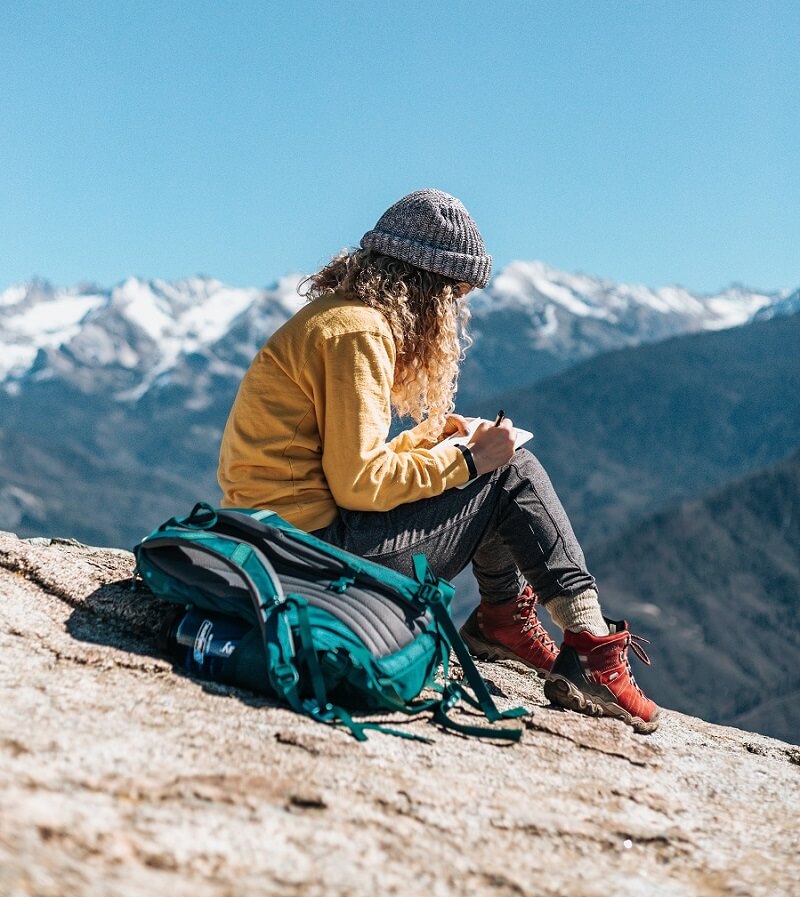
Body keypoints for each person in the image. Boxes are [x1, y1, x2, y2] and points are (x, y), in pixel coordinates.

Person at [218, 189, 659, 734]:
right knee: (512, 472)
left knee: (497, 467)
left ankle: (503, 620)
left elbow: (335, 464)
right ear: (427, 285)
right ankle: (592, 653)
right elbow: (359, 485)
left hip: (276, 541)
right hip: (311, 556)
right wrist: (469, 463)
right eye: (454, 295)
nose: (454, 311)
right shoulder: (360, 333)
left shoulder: (334, 319)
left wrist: (429, 441)